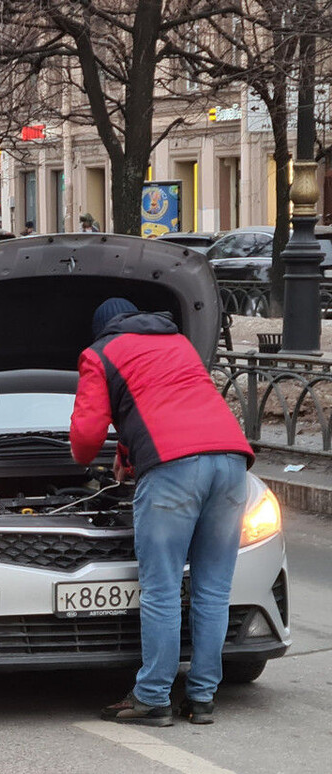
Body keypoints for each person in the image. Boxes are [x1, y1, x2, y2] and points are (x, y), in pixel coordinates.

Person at [70, 297, 254, 727]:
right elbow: (168, 403)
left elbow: (85, 438)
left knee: (162, 589)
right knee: (212, 589)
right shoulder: (178, 343)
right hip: (230, 461)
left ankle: (153, 696)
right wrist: (127, 449)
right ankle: (202, 696)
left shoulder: (99, 354)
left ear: (103, 330)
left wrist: (98, 454)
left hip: (174, 470)